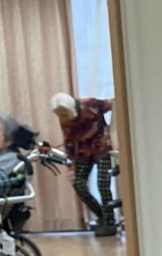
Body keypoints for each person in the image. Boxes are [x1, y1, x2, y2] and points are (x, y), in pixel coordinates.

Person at [51, 92, 118, 236]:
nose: (63, 119)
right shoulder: (65, 121)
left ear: (71, 108)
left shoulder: (91, 104)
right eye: (59, 116)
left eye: (64, 114)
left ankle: (110, 223)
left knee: (103, 184)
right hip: (83, 153)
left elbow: (114, 104)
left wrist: (114, 131)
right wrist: (70, 168)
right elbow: (69, 143)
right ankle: (102, 215)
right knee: (78, 184)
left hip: (102, 147)